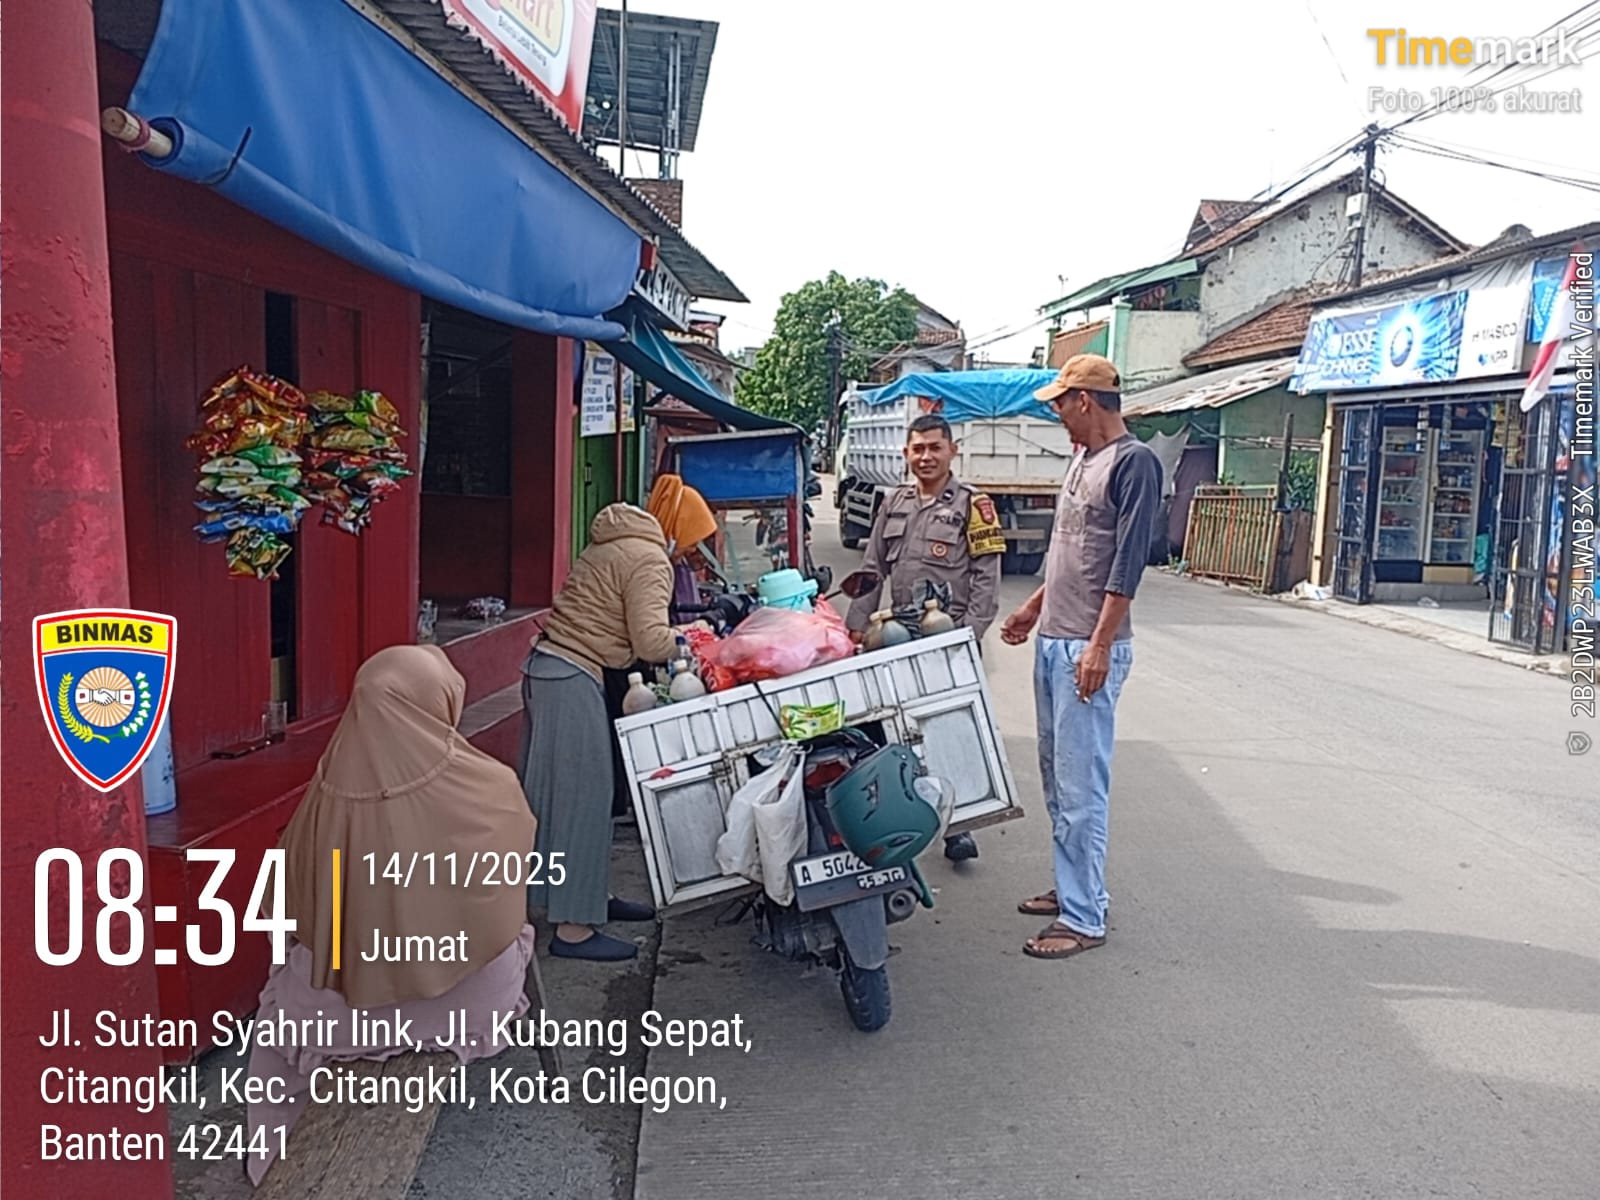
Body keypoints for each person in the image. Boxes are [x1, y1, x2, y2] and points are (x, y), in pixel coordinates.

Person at [245, 645, 538, 1185]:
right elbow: (510, 882)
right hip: (469, 1003)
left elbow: (286, 905)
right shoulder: (489, 786)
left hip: (340, 1020)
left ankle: (267, 1162)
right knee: (511, 933)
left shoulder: (326, 793)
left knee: (277, 1022)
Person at [1002, 354, 1161, 960]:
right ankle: (1073, 887)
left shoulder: (1133, 463)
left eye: (1061, 404)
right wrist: (1033, 608)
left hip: (1087, 648)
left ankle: (1085, 916)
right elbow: (1069, 551)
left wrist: (1098, 645)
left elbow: (1126, 563)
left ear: (1085, 401)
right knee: (1056, 777)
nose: (1058, 415)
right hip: (1055, 639)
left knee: (1080, 787)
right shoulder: (1081, 459)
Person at [521, 495, 703, 961]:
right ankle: (573, 929)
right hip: (571, 675)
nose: (691, 554)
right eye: (694, 542)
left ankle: (586, 897)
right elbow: (650, 641)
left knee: (560, 797)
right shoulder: (650, 559)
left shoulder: (614, 541)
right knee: (583, 797)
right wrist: (693, 635)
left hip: (550, 667)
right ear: (677, 531)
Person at [845, 412, 1005, 862]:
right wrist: (855, 625)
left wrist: (968, 637)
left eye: (935, 447)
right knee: (895, 727)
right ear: (906, 454)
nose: (926, 456)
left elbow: (986, 579)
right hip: (897, 634)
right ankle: (901, 817)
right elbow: (872, 569)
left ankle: (960, 826)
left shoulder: (974, 505)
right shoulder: (893, 502)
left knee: (951, 731)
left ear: (953, 450)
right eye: (918, 448)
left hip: (947, 636)